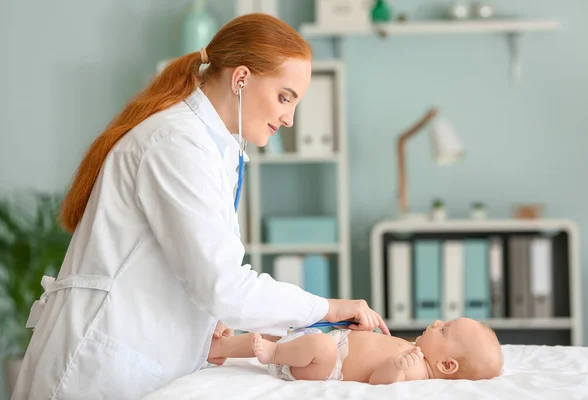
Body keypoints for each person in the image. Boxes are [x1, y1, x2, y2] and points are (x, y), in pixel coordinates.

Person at [11, 13, 389, 400]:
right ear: (241, 79)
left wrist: (208, 319)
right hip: (95, 369)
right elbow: (223, 285)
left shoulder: (211, 148)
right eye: (284, 97)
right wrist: (327, 308)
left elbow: (196, 271)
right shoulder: (175, 144)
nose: (289, 119)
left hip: (133, 361)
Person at [208, 317, 503, 384]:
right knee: (282, 331)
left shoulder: (415, 368)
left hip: (325, 365)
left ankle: (271, 355)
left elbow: (379, 382)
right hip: (330, 344)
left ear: (447, 366)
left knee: (312, 345)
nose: (436, 322)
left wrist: (397, 366)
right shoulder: (418, 351)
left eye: (444, 330)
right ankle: (221, 348)